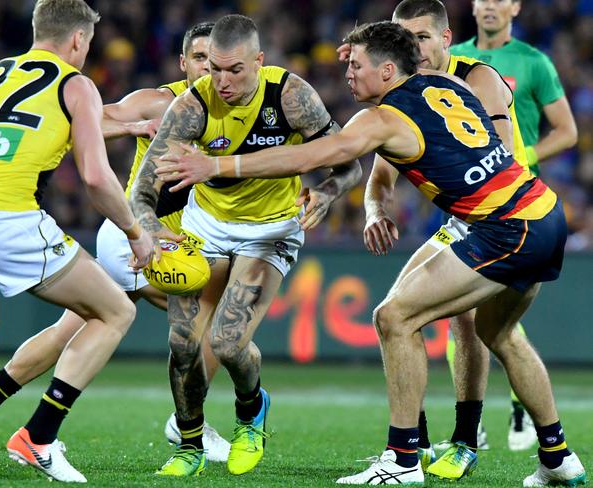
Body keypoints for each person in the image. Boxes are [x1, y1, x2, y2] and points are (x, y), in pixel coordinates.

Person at [157, 21, 587, 487]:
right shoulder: (442, 82)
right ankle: (557, 456)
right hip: (541, 210)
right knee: (497, 333)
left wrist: (215, 165)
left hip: (505, 227)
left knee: (394, 318)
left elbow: (311, 157)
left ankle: (402, 460)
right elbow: (411, 106)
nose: (347, 73)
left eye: (356, 65)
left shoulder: (380, 119)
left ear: (386, 71)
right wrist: (374, 46)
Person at [0, 21, 232, 465]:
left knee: (74, 329)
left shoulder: (239, 109)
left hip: (171, 238)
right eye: (200, 59)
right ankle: (186, 422)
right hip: (133, 236)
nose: (211, 70)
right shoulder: (162, 99)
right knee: (208, 320)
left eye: (219, 61)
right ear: (183, 64)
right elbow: (93, 118)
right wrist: (138, 124)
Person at [130, 14, 362, 477]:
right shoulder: (192, 106)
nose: (223, 80)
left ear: (259, 60)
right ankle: (189, 446)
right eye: (214, 69)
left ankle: (251, 411)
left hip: (270, 230)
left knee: (229, 343)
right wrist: (148, 229)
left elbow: (349, 164)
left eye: (234, 70)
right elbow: (141, 190)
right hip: (207, 226)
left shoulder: (291, 97)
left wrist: (326, 192)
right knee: (183, 344)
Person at [0, 0, 154, 483]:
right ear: (79, 40)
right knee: (116, 311)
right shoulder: (76, 83)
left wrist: (128, 127)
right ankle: (38, 437)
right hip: (8, 221)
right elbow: (98, 179)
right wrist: (136, 234)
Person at [358, 0, 530, 479]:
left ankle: (465, 440)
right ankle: (415, 443)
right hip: (462, 217)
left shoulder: (478, 80)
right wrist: (376, 211)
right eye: (402, 38)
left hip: (509, 217)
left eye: (422, 37)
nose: (413, 47)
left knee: (467, 322)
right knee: (394, 314)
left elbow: (503, 156)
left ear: (446, 39)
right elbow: (379, 179)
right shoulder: (404, 93)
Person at [451, 0, 578, 451]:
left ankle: (518, 406)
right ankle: (471, 426)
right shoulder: (452, 58)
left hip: (515, 201)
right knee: (460, 312)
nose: (489, 5)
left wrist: (525, 156)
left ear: (515, 7)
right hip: (463, 197)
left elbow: (567, 130)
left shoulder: (534, 63)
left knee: (492, 315)